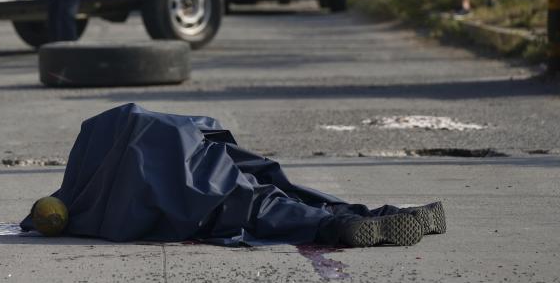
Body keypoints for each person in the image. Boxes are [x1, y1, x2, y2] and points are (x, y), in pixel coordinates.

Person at [22, 103, 446, 247]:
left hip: (189, 174)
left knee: (257, 205)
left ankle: (347, 224)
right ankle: (365, 215)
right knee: (272, 190)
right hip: (198, 148)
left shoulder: (84, 201)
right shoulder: (97, 148)